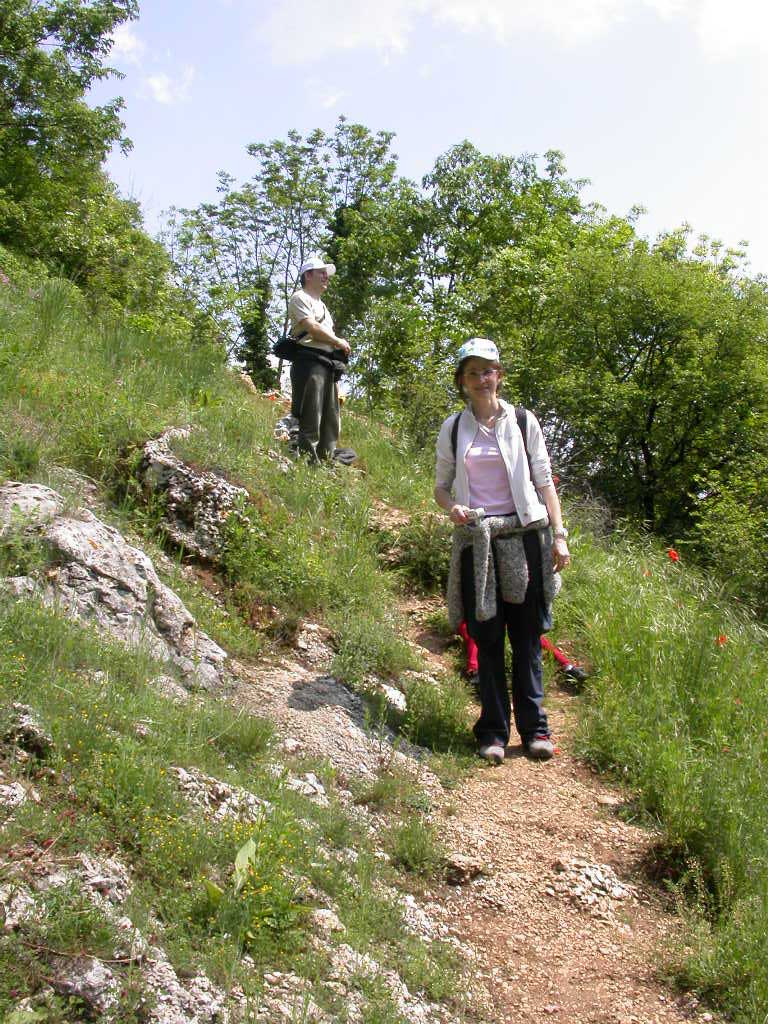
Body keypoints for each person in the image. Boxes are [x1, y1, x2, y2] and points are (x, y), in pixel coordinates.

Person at [434, 338, 571, 764]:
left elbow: (545, 481)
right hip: (479, 541)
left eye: (488, 371)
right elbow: (440, 486)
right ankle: (492, 731)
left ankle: (535, 730)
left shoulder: (524, 421)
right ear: (462, 380)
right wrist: (451, 505)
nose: (481, 379)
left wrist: (560, 534)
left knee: (528, 636)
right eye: (472, 372)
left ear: (500, 375)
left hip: (525, 538)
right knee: (487, 638)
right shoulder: (454, 428)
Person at [287, 256, 351, 463]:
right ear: (308, 275)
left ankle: (324, 463)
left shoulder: (323, 307)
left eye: (327, 273)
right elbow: (313, 329)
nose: (326, 276)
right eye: (321, 272)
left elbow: (323, 335)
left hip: (327, 366)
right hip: (309, 363)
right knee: (310, 417)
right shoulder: (300, 298)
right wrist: (339, 341)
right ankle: (306, 464)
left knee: (331, 421)